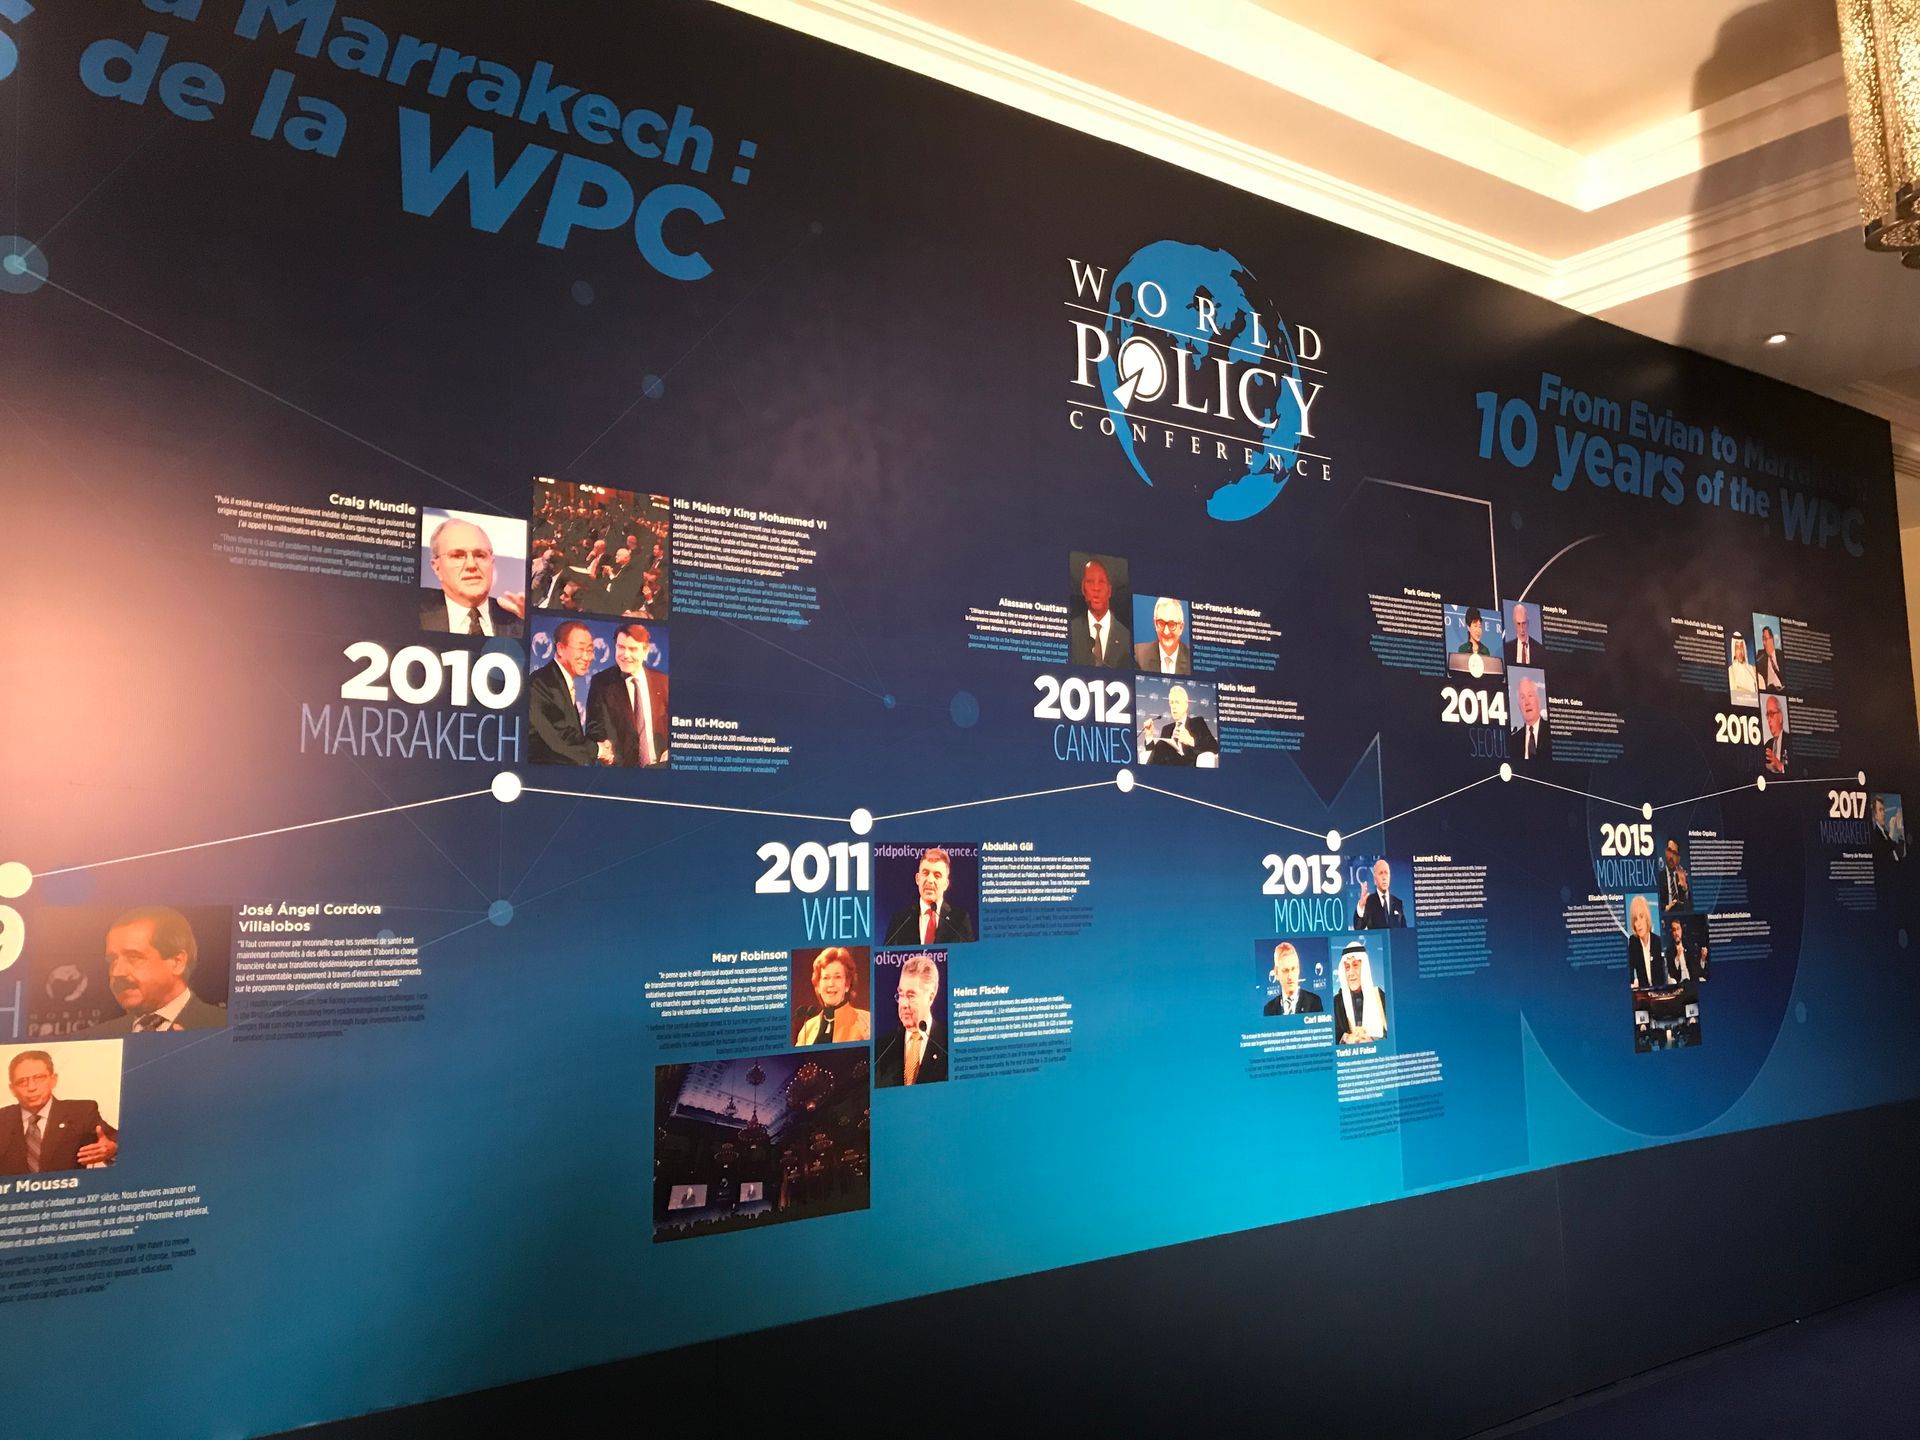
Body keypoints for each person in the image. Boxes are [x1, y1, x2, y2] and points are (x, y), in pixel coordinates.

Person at [77, 907, 226, 1035]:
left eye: (134, 957)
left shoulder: (224, 1028)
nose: (117, 972)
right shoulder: (93, 1039)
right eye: (113, 960)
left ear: (177, 962)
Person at [1, 1051, 118, 1176]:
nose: (31, 1087)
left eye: (39, 1077)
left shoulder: (81, 1113)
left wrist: (113, 1150)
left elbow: (121, 1143)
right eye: (22, 1082)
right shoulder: (2, 1119)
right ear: (12, 1089)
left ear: (53, 1080)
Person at [420, 517, 525, 637]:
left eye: (480, 555)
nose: (471, 565)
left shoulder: (519, 620)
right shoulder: (413, 613)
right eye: (457, 556)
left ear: (492, 563)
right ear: (437, 567)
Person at [586, 623, 668, 767]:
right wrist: (605, 748)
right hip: (621, 771)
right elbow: (594, 729)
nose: (625, 655)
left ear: (645, 651)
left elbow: (678, 724)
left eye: (633, 649)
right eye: (621, 647)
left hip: (660, 768)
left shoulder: (663, 682)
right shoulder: (601, 683)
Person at [529, 621, 608, 766]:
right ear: (560, 649)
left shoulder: (561, 681)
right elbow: (556, 736)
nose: (587, 657)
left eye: (590, 650)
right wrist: (598, 750)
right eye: (581, 649)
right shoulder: (541, 683)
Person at [874, 954, 948, 1087]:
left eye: (911, 996)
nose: (903, 1004)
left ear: (930, 997)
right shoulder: (883, 1046)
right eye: (901, 995)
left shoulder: (948, 1044)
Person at [882, 848, 975, 945]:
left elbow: (971, 953)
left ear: (946, 884)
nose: (930, 880)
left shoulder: (960, 920)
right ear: (917, 879)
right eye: (925, 873)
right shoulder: (900, 920)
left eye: (937, 875)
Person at [793, 947, 871, 1045]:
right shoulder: (807, 1029)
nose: (831, 984)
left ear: (847, 984)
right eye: (826, 977)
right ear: (818, 985)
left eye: (837, 977)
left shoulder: (867, 1022)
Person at [1068, 557, 1131, 668]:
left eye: (1101, 582)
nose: (1096, 588)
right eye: (1090, 582)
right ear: (1083, 589)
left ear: (1109, 590)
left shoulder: (1126, 637)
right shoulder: (1070, 631)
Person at [1140, 684, 1218, 765]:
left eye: (1177, 702)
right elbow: (1154, 755)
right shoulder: (1166, 729)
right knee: (1161, 745)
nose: (1173, 707)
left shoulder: (1197, 723)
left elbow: (1214, 747)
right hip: (1168, 767)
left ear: (1186, 705)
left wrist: (1190, 740)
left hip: (1188, 768)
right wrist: (1149, 736)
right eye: (1171, 703)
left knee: (1161, 745)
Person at [1332, 939, 1387, 1044]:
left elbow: (1394, 1035)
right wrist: (1346, 1039)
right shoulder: (1337, 1003)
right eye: (1347, 967)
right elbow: (1331, 1039)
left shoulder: (1379, 997)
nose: (1351, 973)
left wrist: (1373, 1040)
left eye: (1355, 965)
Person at [1134, 597, 1191, 675]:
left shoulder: (1192, 659)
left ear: (1181, 627)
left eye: (1172, 625)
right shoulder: (1139, 655)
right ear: (1155, 624)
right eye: (1161, 623)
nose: (1166, 632)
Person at [1262, 942, 1322, 1015]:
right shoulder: (1269, 1009)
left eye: (1293, 969)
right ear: (1276, 972)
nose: (1290, 976)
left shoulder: (1314, 1002)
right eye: (1285, 970)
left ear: (1298, 969)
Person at [1625, 894, 1668, 988]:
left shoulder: (1658, 942)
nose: (1638, 923)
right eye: (1635, 919)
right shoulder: (1633, 942)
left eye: (1641, 917)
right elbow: (1629, 971)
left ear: (1647, 918)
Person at [1353, 858, 1407, 930]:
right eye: (1381, 873)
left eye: (1386, 873)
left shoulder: (1398, 903)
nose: (1384, 877)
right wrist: (1361, 905)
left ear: (1389, 877)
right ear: (1375, 879)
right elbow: (1358, 927)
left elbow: (1404, 931)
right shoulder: (1368, 902)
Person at [1511, 675, 1546, 760]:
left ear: (1539, 700)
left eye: (1530, 695)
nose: (1527, 702)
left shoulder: (1550, 732)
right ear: (1519, 705)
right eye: (1522, 697)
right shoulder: (1513, 740)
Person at [1665, 917, 1707, 984]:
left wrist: (1703, 958)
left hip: (1691, 980)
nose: (1676, 933)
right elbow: (1672, 973)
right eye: (1674, 930)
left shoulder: (1688, 946)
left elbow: (1696, 967)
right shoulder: (1669, 950)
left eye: (1678, 929)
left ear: (1681, 930)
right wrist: (1677, 957)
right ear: (1672, 933)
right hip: (1679, 982)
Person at [1658, 838, 1691, 914]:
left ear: (1678, 858)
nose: (1671, 856)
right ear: (1665, 852)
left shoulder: (1682, 878)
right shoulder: (1659, 877)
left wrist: (1685, 889)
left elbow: (1690, 907)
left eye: (1674, 853)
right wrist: (1666, 908)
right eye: (1669, 851)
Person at [1727, 634, 1758, 706]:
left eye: (1741, 646)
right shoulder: (1731, 670)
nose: (1740, 651)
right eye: (1737, 647)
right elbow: (1734, 694)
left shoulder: (1752, 668)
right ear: (1734, 650)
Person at [1763, 694, 1789, 774]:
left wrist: (1781, 766)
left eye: (1771, 714)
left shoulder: (1790, 741)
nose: (1769, 720)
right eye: (1767, 715)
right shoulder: (1767, 745)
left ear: (1780, 717)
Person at [1757, 626, 1784, 692]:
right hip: (1768, 690)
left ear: (1772, 639)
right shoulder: (1760, 655)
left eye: (1766, 639)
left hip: (1781, 689)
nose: (1764, 643)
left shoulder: (1781, 654)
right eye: (1763, 640)